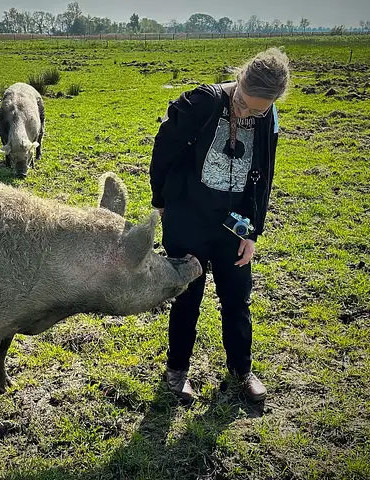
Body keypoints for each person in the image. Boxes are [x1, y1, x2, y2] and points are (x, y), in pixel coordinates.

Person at [149, 48, 290, 403]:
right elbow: (164, 148)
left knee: (237, 298)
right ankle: (176, 372)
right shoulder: (203, 102)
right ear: (239, 79)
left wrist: (253, 232)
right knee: (187, 297)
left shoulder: (268, 116)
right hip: (188, 219)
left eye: (256, 109)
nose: (246, 111)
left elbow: (265, 177)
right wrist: (161, 200)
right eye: (242, 101)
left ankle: (241, 372)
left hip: (233, 225)